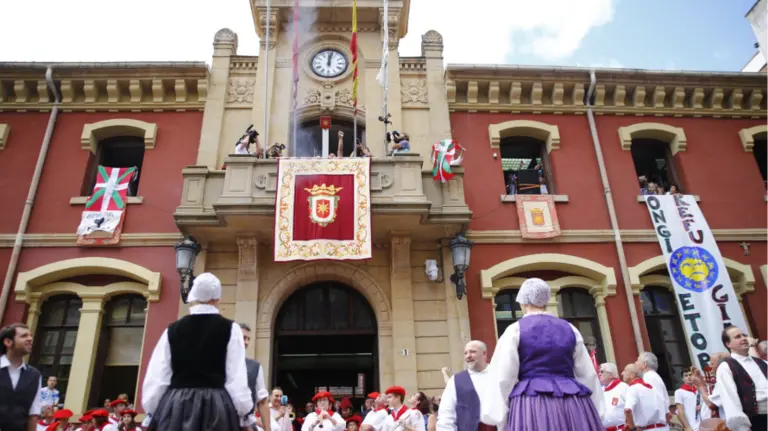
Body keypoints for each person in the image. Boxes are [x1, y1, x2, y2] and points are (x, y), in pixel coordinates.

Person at [481, 278, 605, 430]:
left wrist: (500, 418)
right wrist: (595, 411)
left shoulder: (515, 330)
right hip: (573, 404)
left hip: (532, 405)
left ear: (523, 302)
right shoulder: (570, 329)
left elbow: (503, 377)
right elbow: (587, 374)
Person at [141, 273, 256, 431]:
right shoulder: (231, 328)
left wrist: (152, 411)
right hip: (216, 406)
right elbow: (236, 378)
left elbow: (158, 376)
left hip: (177, 406)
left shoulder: (173, 330)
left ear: (194, 295)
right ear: (218, 298)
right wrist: (245, 416)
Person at [715, 325, 768, 431]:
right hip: (756, 421)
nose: (744, 338)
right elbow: (730, 400)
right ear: (728, 344)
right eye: (738, 337)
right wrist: (742, 427)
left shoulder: (762, 363)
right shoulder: (726, 368)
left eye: (744, 335)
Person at [436, 340, 494, 431]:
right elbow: (446, 414)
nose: (468, 356)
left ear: (484, 354)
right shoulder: (455, 380)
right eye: (465, 353)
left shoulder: (499, 375)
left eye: (473, 352)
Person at [0, 323, 43, 431]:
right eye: (24, 336)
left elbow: (33, 414)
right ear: (8, 342)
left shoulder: (34, 375)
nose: (30, 339)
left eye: (30, 336)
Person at [239, 323, 271, 431]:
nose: (246, 342)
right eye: (243, 338)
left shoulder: (255, 367)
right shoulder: (220, 364)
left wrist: (267, 429)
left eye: (248, 339)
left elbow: (263, 402)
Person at [622, 364, 666, 430]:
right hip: (662, 427)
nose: (622, 373)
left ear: (632, 375)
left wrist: (632, 428)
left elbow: (627, 410)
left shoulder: (633, 388)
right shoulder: (651, 388)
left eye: (625, 370)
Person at [636, 351, 670, 429]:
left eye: (637, 360)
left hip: (655, 425)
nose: (635, 363)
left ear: (644, 364)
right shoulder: (651, 376)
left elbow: (658, 398)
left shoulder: (649, 377)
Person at [598, 363, 628, 431]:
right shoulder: (600, 390)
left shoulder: (623, 387)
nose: (599, 374)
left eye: (602, 371)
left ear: (611, 374)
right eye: (599, 372)